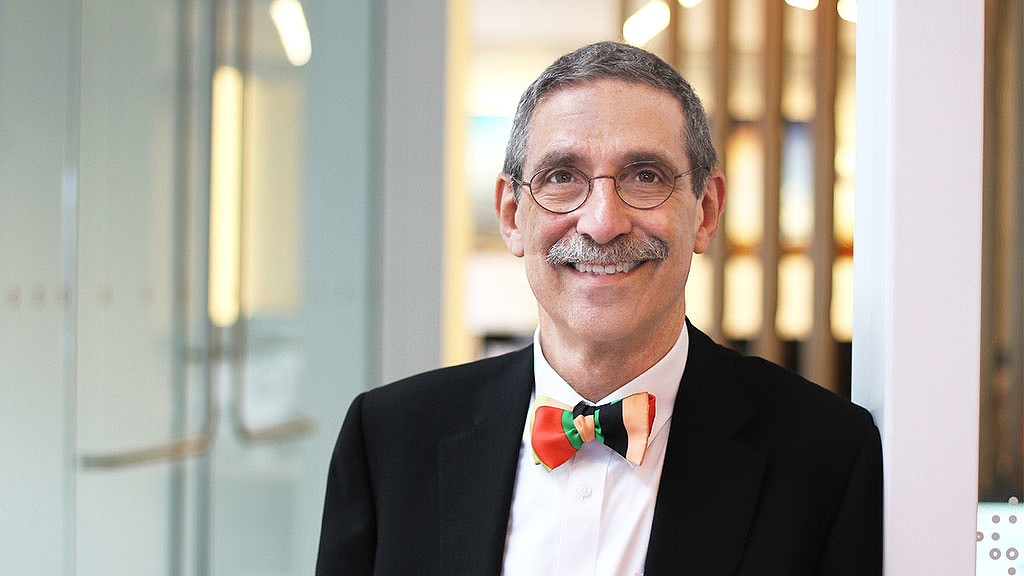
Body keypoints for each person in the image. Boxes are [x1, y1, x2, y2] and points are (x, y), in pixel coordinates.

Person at [316, 41, 882, 576]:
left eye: (645, 176)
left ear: (706, 212)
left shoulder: (828, 457)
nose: (603, 222)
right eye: (563, 177)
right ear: (513, 215)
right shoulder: (387, 443)